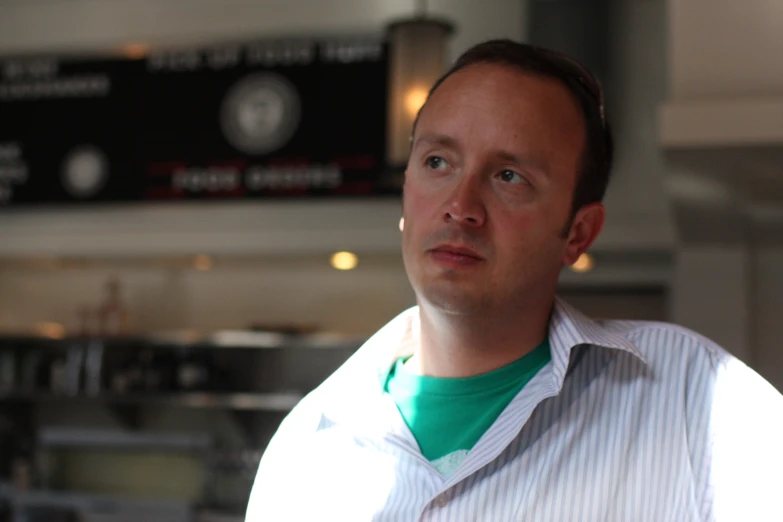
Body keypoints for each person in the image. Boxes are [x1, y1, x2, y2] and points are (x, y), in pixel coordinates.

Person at [245, 39, 783, 521]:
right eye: (437, 161)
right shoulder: (306, 446)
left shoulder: (700, 402)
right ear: (406, 193)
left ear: (578, 233)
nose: (460, 206)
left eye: (509, 176)